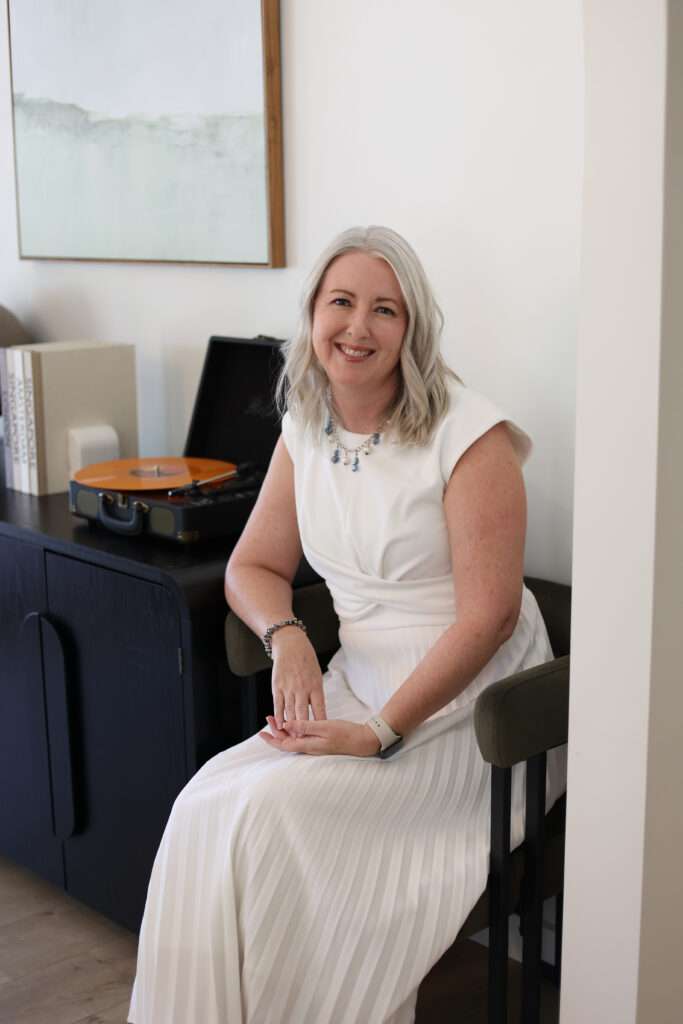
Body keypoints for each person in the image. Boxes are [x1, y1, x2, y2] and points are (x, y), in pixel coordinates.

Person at [128, 225, 566, 1024]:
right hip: (356, 676)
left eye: (384, 310)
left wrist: (380, 734)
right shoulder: (306, 423)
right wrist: (287, 637)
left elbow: (491, 617)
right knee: (201, 805)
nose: (357, 327)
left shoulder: (470, 437)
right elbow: (250, 568)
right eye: (340, 302)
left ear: (413, 331)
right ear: (312, 316)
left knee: (266, 819)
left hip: (465, 703)